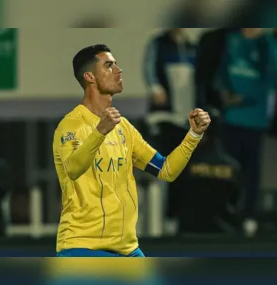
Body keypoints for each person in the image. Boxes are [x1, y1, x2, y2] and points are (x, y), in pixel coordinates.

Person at [52, 44, 211, 257]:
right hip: (83, 246)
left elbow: (166, 170)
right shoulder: (71, 124)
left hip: (128, 249)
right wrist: (99, 132)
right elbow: (73, 168)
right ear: (90, 77)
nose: (118, 70)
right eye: (109, 66)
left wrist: (193, 135)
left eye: (117, 64)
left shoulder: (123, 127)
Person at [215, 28, 277, 233]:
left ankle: (248, 216)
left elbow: (269, 80)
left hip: (254, 120)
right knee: (229, 169)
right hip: (230, 119)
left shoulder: (267, 44)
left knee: (251, 171)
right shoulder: (232, 40)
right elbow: (222, 73)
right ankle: (227, 214)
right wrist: (225, 95)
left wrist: (244, 98)